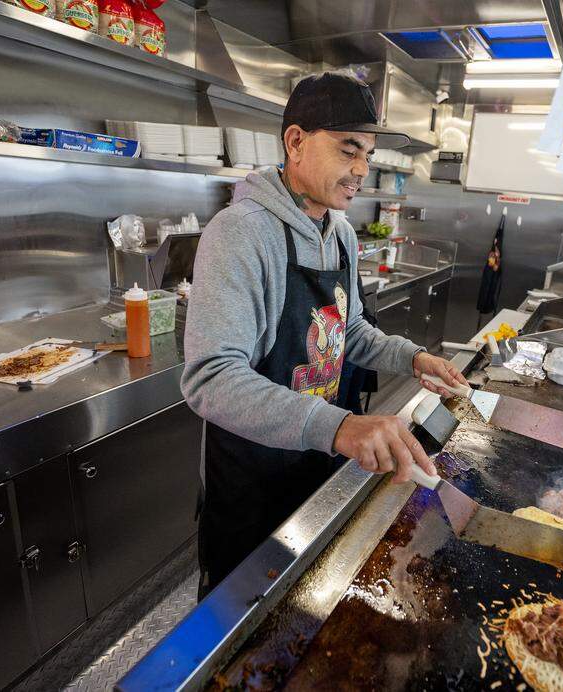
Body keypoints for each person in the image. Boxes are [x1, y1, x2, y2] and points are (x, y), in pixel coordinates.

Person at [182, 71, 467, 596]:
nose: (361, 170)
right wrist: (340, 426)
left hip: (316, 464)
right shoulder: (239, 233)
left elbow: (348, 329)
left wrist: (412, 359)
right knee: (238, 628)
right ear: (295, 142)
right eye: (348, 150)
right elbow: (210, 378)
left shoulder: (340, 232)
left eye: (368, 156)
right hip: (250, 478)